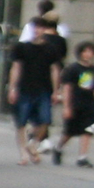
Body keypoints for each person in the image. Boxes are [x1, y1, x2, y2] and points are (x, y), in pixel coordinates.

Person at [6, 15, 68, 164]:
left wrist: (56, 90)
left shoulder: (50, 49)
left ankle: (33, 144)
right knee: (21, 122)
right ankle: (23, 154)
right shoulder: (22, 47)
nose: (37, 30)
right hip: (24, 88)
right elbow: (16, 67)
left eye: (40, 27)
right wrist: (12, 88)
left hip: (43, 89)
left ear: (45, 30)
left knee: (45, 120)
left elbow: (55, 69)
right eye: (35, 27)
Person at [52, 40, 94, 167]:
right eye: (85, 51)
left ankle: (82, 157)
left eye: (90, 52)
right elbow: (67, 88)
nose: (88, 54)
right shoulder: (73, 69)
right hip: (75, 104)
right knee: (69, 131)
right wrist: (67, 106)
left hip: (89, 105)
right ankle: (58, 148)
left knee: (88, 131)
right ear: (80, 53)